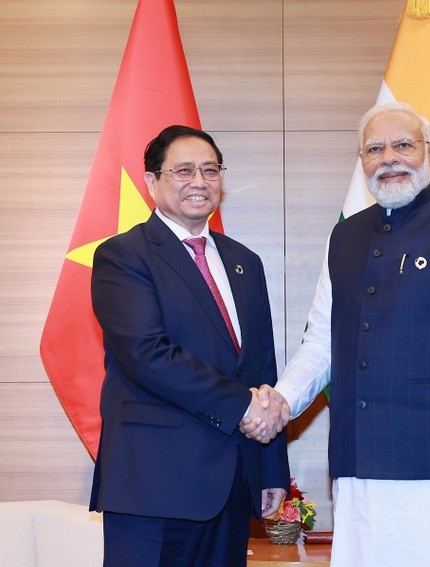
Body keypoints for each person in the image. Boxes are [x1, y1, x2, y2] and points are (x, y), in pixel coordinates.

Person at [242, 102, 430, 566]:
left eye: (404, 145)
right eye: (374, 148)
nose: (389, 158)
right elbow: (322, 344)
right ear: (361, 160)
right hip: (362, 474)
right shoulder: (342, 238)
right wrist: (280, 401)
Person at [89, 125, 290, 567]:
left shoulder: (244, 262)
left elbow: (260, 369)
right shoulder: (123, 256)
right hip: (153, 484)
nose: (199, 181)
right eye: (183, 170)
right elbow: (147, 355)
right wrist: (243, 406)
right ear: (151, 181)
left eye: (210, 170)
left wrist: (271, 467)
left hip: (233, 483)